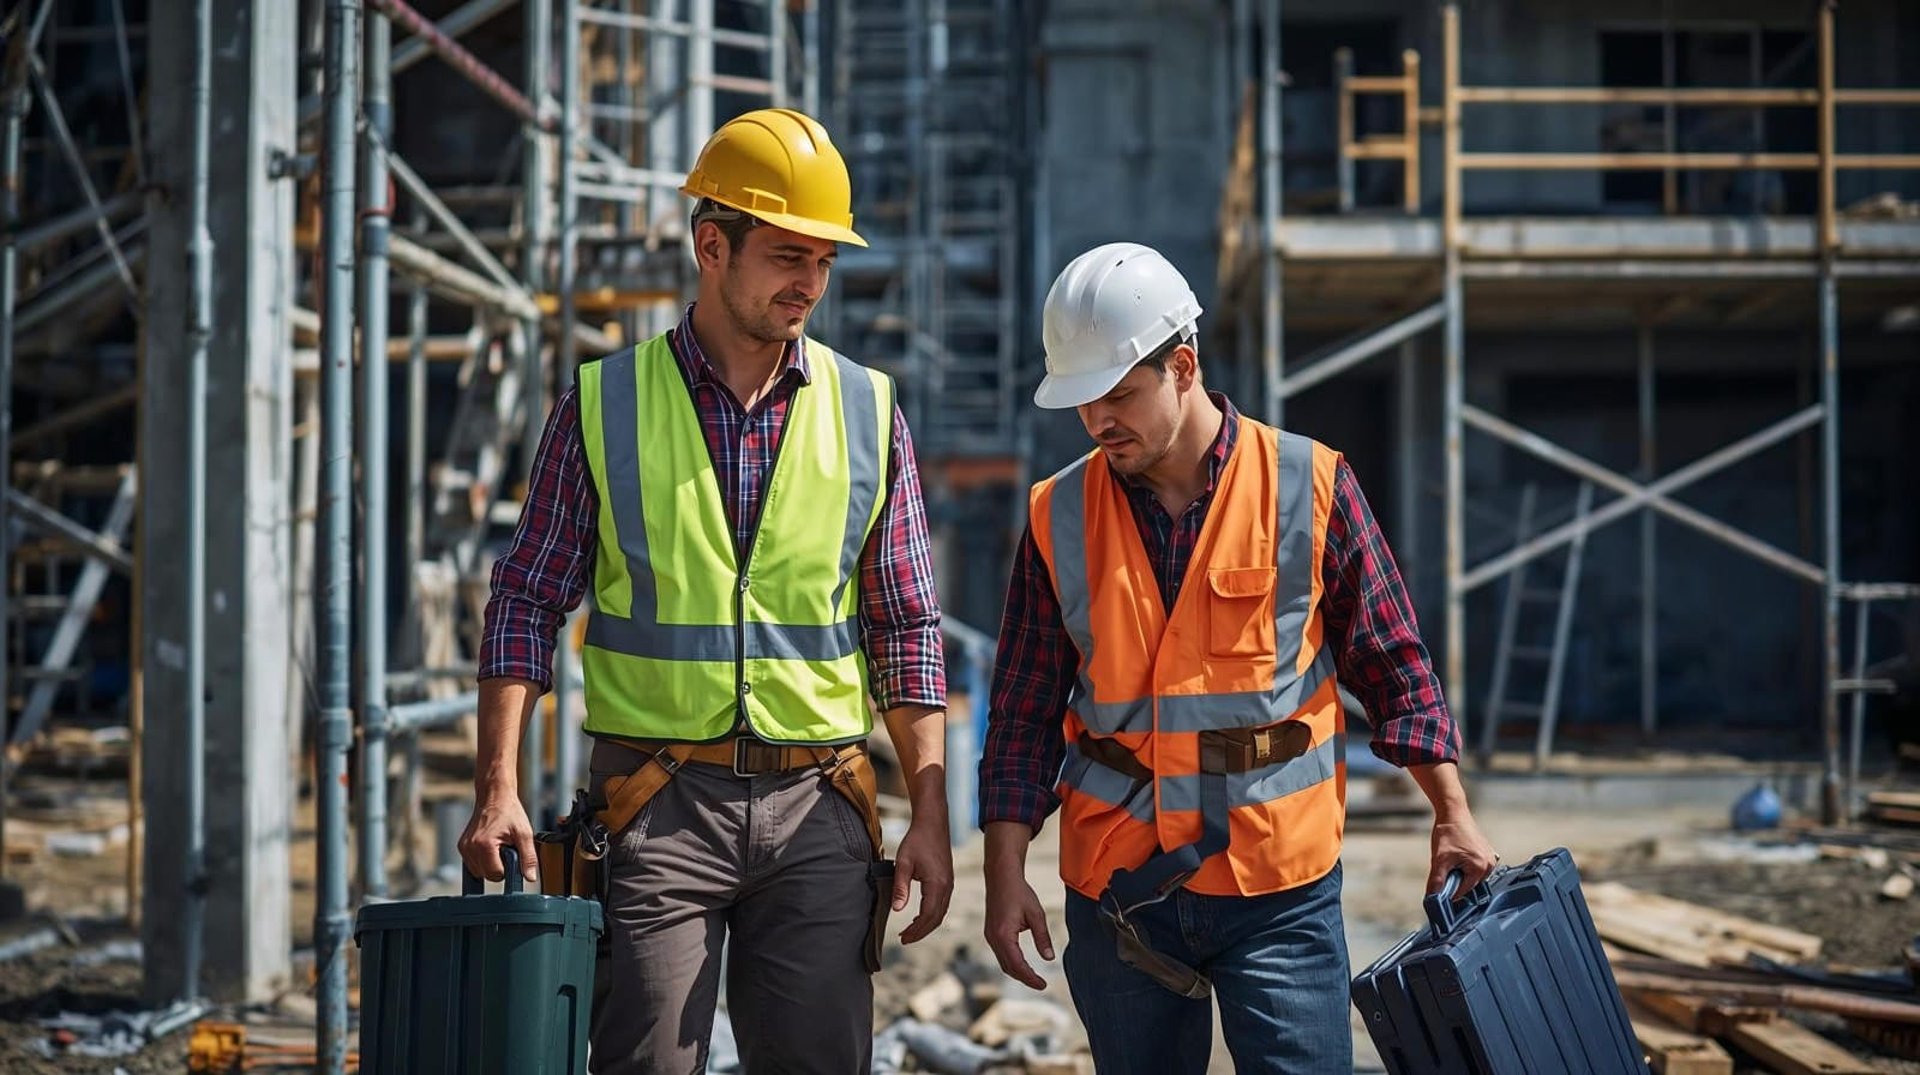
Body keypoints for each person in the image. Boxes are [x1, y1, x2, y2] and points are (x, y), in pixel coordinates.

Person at [458, 108, 954, 1074]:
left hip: (820, 806)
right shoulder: (603, 403)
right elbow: (525, 599)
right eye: (784, 254)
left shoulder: (869, 410)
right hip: (654, 804)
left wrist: (930, 819)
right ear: (711, 246)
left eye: (822, 260)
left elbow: (906, 624)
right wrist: (496, 788)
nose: (807, 281)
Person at [978, 242, 1497, 1074]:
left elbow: (1392, 662)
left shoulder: (1309, 483)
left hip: (1277, 890)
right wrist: (1005, 873)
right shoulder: (1058, 513)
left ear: (1182, 366)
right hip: (1120, 895)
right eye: (1081, 404)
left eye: (1118, 395)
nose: (1098, 422)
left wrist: (1451, 809)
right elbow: (1022, 713)